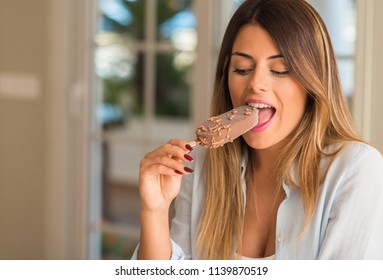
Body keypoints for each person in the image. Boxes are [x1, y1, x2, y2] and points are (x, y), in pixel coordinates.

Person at [132, 0, 383, 260]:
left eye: (280, 70)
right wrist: (154, 212)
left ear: (313, 81)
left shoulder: (355, 171)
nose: (256, 83)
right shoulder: (202, 168)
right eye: (242, 68)